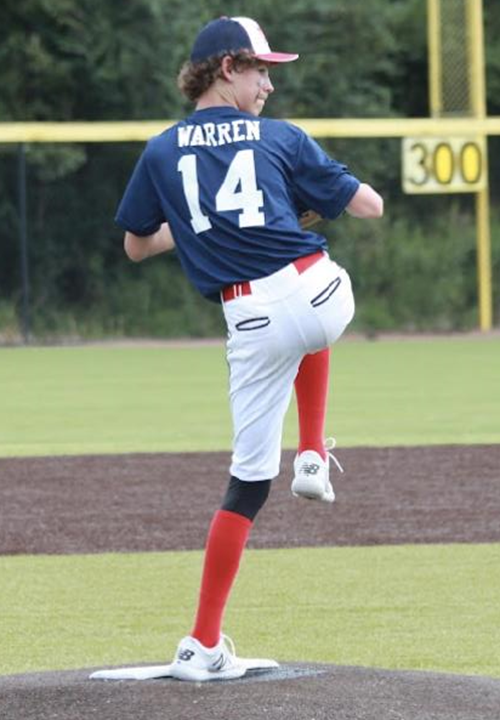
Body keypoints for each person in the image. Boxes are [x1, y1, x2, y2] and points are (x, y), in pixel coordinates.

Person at [116, 16, 383, 682]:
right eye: (260, 69)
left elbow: (136, 246)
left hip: (249, 321)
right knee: (313, 323)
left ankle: (200, 645)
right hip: (317, 295)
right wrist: (304, 203)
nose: (269, 84)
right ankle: (313, 451)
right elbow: (369, 207)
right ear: (226, 68)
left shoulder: (160, 151)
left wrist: (195, 226)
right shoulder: (280, 137)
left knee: (247, 484)